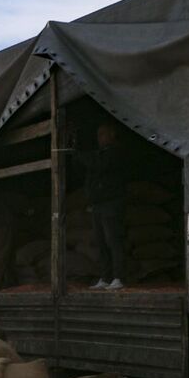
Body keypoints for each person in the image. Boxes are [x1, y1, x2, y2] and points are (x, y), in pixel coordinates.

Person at [77, 121, 128, 290]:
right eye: (98, 135)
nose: (100, 138)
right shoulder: (101, 153)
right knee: (101, 242)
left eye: (103, 134)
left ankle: (119, 276)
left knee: (113, 240)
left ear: (112, 134)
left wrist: (80, 155)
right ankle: (106, 277)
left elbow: (99, 164)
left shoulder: (116, 153)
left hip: (111, 204)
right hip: (98, 205)